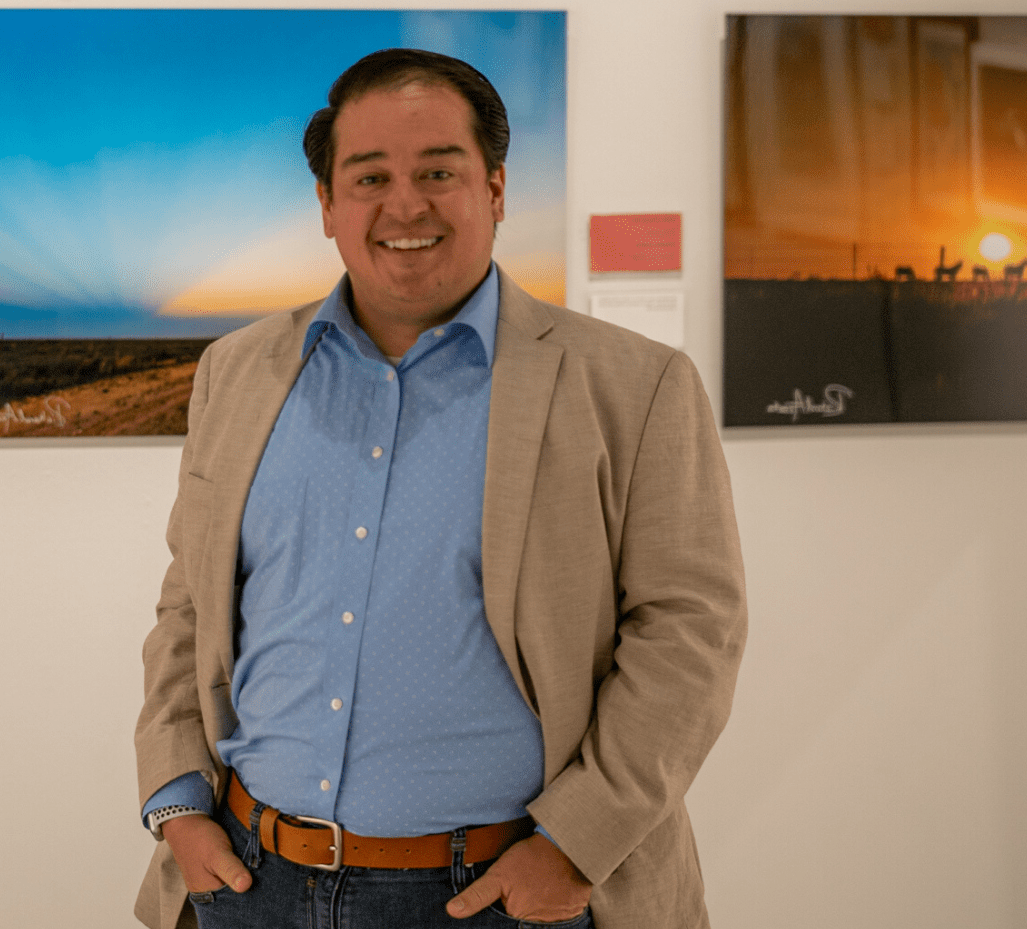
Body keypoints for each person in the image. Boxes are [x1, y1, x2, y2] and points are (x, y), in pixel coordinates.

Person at [133, 48, 747, 929]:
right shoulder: (237, 372)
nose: (405, 204)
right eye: (370, 176)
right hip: (248, 882)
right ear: (328, 205)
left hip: (500, 896)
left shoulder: (633, 387)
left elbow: (692, 632)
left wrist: (573, 848)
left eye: (438, 172)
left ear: (495, 191)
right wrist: (177, 800)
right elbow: (188, 606)